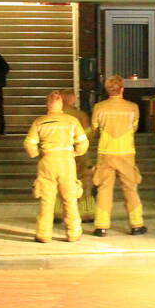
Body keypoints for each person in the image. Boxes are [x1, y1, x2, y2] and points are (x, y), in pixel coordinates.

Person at [24, 91, 89, 243]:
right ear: (61, 104)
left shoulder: (39, 122)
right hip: (66, 162)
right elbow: (83, 142)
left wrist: (37, 153)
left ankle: (43, 234)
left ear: (48, 105)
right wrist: (76, 152)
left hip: (47, 162)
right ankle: (73, 233)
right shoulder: (71, 120)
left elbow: (29, 143)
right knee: (70, 199)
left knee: (47, 200)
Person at [91, 75, 146, 236]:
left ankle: (101, 226)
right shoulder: (132, 107)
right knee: (130, 188)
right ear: (122, 89)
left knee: (104, 189)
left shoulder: (99, 107)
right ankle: (136, 224)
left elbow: (95, 128)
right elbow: (134, 127)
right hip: (126, 153)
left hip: (105, 153)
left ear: (107, 89)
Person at [60, 88, 95, 222]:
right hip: (79, 155)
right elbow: (87, 136)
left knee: (60, 185)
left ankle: (57, 213)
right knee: (85, 183)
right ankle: (86, 213)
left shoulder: (51, 117)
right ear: (71, 98)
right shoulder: (80, 116)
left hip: (59, 155)